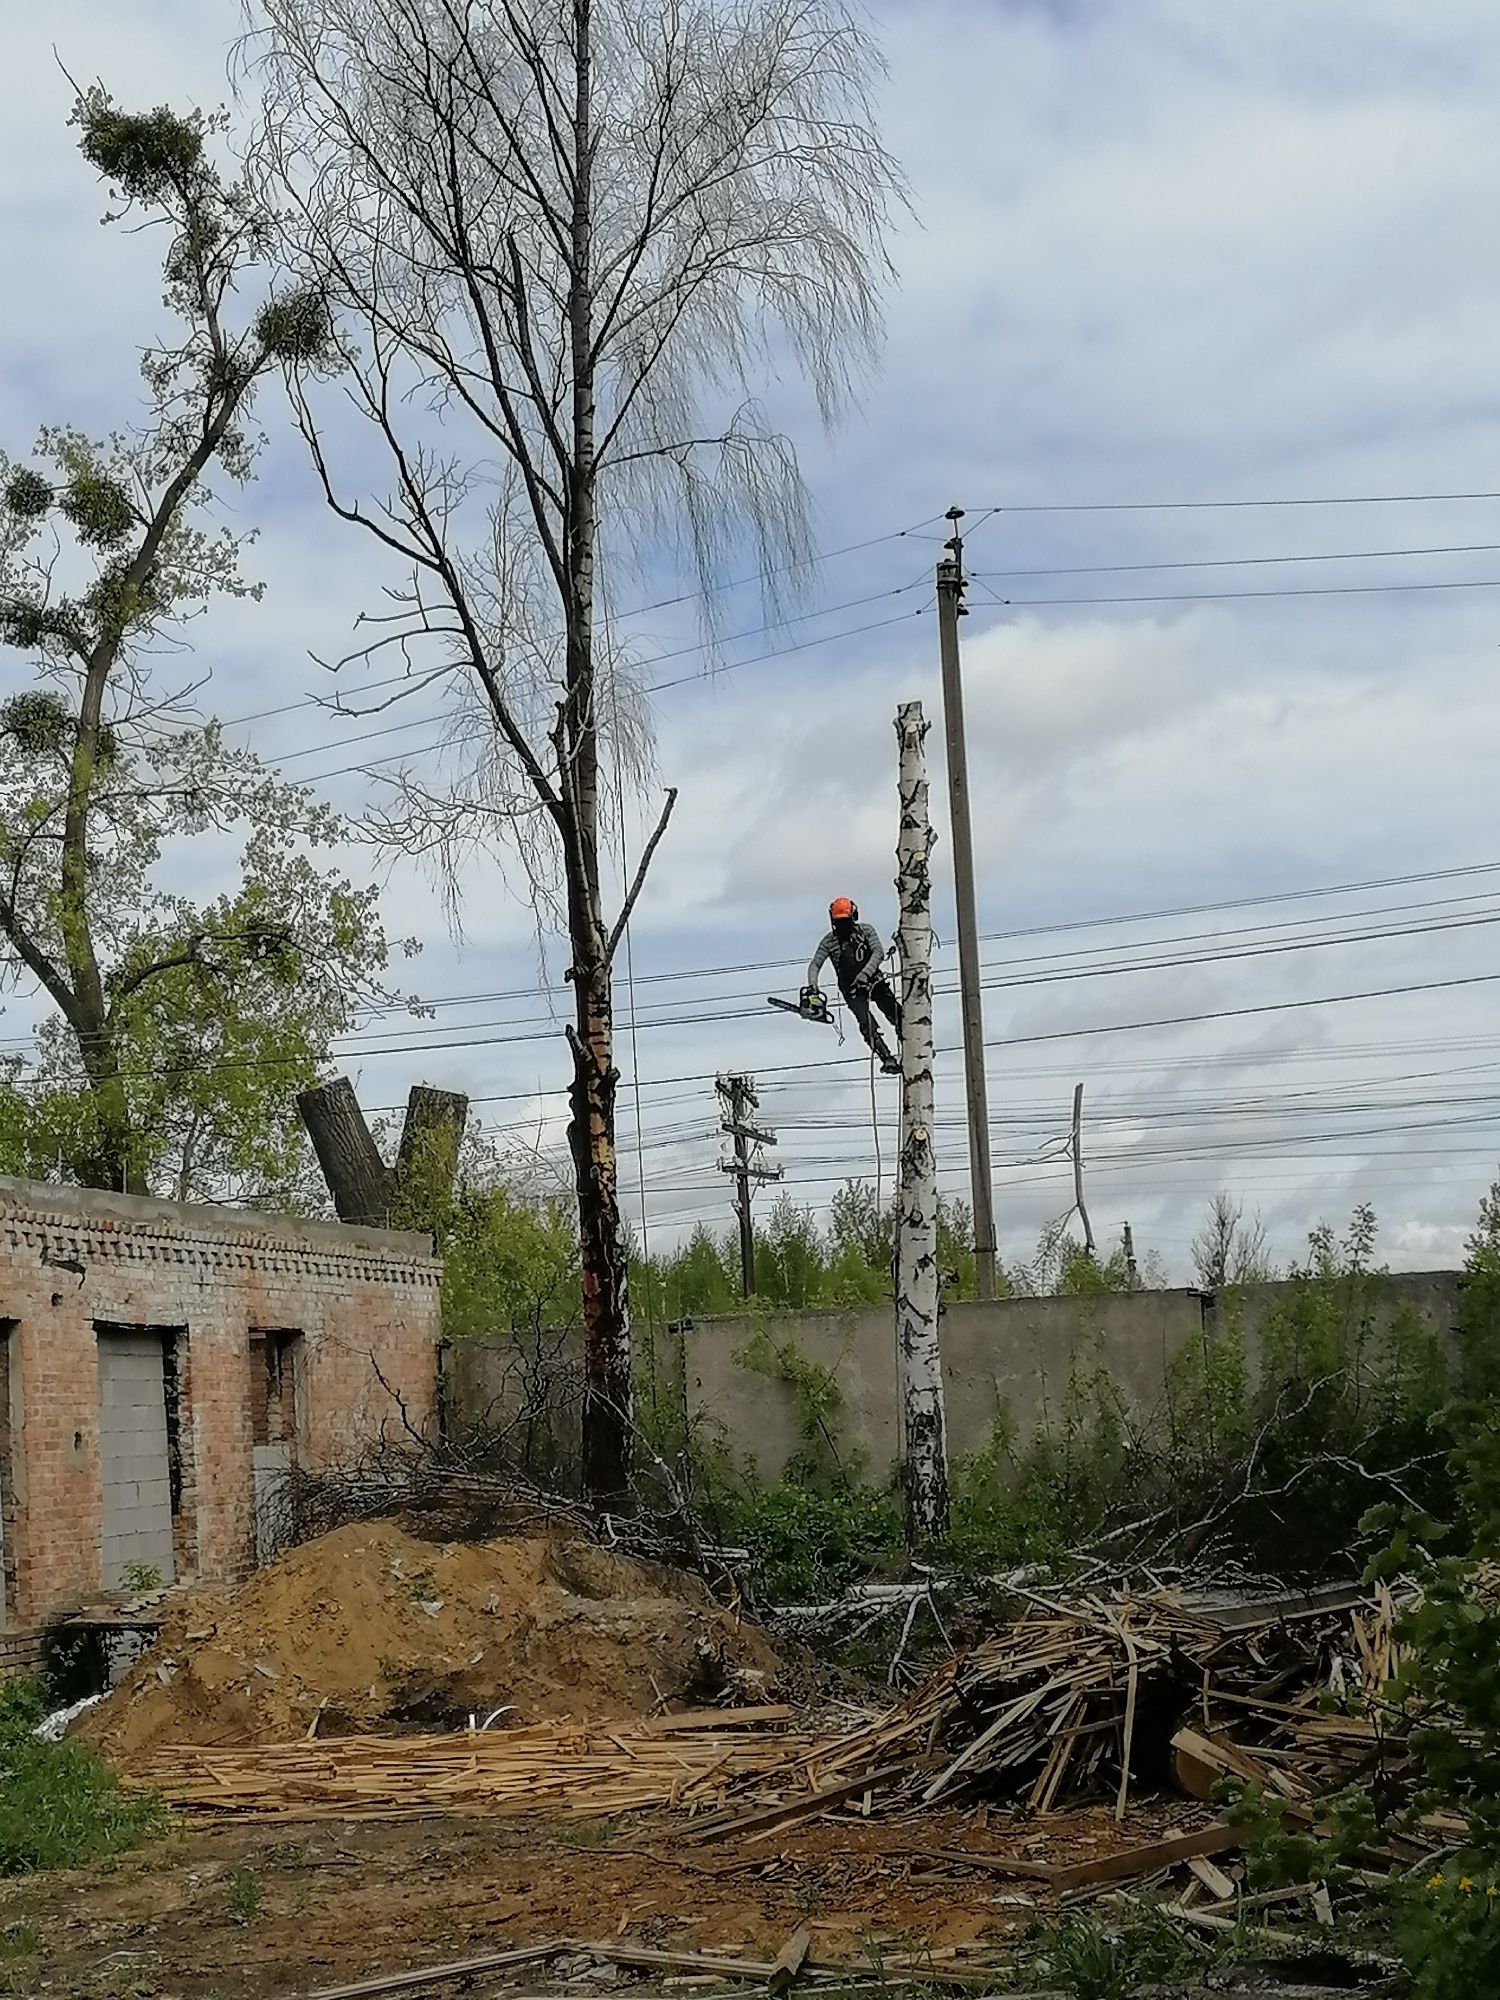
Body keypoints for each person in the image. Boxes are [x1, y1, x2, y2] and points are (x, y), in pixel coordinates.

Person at [805, 896, 903, 1073]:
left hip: (874, 981)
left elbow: (878, 953)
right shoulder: (829, 942)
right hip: (851, 989)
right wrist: (813, 985)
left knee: (895, 1012)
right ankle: (886, 1058)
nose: (843, 926)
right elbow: (815, 964)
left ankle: (910, 1041)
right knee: (866, 1023)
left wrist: (865, 974)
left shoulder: (866, 931)